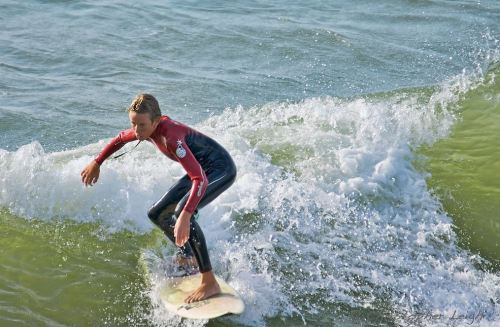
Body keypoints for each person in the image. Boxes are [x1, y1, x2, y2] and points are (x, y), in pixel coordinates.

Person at [80, 94, 237, 303]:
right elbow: (120, 138)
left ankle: (209, 282)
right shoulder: (145, 128)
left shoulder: (171, 137)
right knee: (157, 213)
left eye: (142, 125)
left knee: (182, 212)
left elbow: (200, 180)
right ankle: (188, 257)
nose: (137, 131)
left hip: (220, 169)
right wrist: (97, 162)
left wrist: (186, 215)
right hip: (202, 170)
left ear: (156, 121)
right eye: (133, 124)